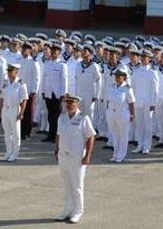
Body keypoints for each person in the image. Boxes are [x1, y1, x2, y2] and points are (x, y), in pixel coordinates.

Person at [55, 94, 96, 224]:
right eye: (67, 103)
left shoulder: (83, 118)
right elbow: (58, 134)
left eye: (71, 103)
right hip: (63, 155)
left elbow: (90, 136)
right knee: (67, 185)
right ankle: (68, 209)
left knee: (77, 186)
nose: (68, 105)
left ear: (77, 103)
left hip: (77, 156)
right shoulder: (62, 117)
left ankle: (78, 211)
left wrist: (87, 156)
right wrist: (56, 149)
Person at [0, 63, 29, 162]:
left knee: (15, 133)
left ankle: (15, 153)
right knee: (7, 133)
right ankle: (8, 151)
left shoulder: (21, 83)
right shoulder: (5, 82)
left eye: (11, 71)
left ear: (16, 72)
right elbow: (2, 97)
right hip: (5, 109)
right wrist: (0, 111)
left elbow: (24, 100)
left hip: (15, 109)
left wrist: (21, 113)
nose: (8, 73)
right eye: (8, 71)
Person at [105, 66, 136, 163]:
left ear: (124, 77)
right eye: (116, 75)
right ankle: (115, 154)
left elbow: (131, 103)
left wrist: (132, 114)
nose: (117, 77)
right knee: (114, 135)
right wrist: (108, 111)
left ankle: (121, 155)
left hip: (123, 113)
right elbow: (108, 100)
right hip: (111, 112)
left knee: (123, 135)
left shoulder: (127, 88)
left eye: (119, 75)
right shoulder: (112, 86)